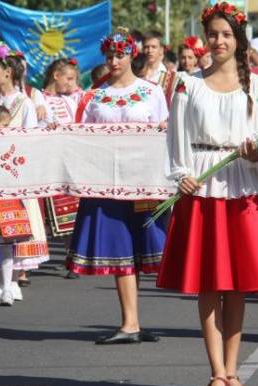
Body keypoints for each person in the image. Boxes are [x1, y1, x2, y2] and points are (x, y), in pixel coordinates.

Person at [157, 4, 258, 386]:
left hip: (243, 186)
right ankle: (216, 372)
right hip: (203, 186)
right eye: (213, 34)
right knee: (209, 283)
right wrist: (182, 175)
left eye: (226, 35)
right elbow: (177, 140)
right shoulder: (188, 84)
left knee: (237, 283)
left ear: (238, 40)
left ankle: (232, 370)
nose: (218, 42)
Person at [67, 27, 169, 345]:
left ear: (131, 54)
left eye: (120, 54)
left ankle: (134, 321)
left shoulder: (151, 91)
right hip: (107, 183)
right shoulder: (94, 95)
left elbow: (166, 133)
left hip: (143, 181)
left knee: (139, 248)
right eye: (109, 55)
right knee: (119, 248)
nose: (114, 60)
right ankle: (130, 322)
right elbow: (81, 137)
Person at [0, 43, 49, 297]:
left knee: (14, 226)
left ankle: (12, 281)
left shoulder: (24, 102)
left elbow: (30, 137)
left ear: (8, 72)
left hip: (13, 169)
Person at [41, 58, 81, 279]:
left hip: (70, 158)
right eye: (69, 78)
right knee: (46, 213)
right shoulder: (39, 98)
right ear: (56, 76)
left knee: (70, 208)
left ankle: (71, 256)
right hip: (48, 159)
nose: (72, 84)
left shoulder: (72, 99)